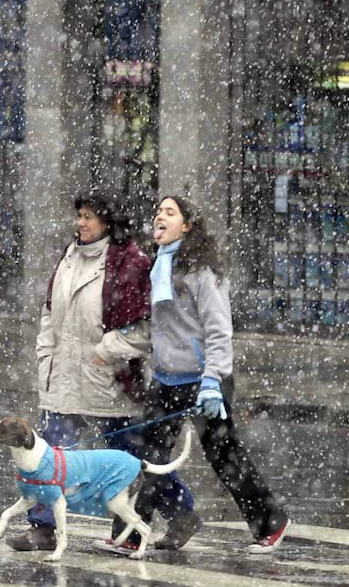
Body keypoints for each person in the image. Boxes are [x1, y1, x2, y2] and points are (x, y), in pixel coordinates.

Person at [5, 191, 197, 553]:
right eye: (79, 215)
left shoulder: (130, 263)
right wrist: (45, 348)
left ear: (108, 222)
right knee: (50, 456)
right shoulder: (68, 256)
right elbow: (50, 310)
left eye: (89, 216)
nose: (81, 223)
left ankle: (181, 512)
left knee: (126, 457)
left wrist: (104, 352)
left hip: (109, 380)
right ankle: (43, 528)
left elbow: (143, 328)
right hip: (62, 376)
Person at [120, 195, 291, 555]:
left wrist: (213, 381)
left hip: (204, 381)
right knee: (149, 456)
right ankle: (133, 533)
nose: (159, 217)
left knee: (224, 455)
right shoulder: (160, 266)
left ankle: (270, 522)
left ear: (187, 226)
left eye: (170, 212)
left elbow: (218, 330)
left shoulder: (202, 272)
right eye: (158, 212)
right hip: (166, 379)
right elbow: (159, 329)